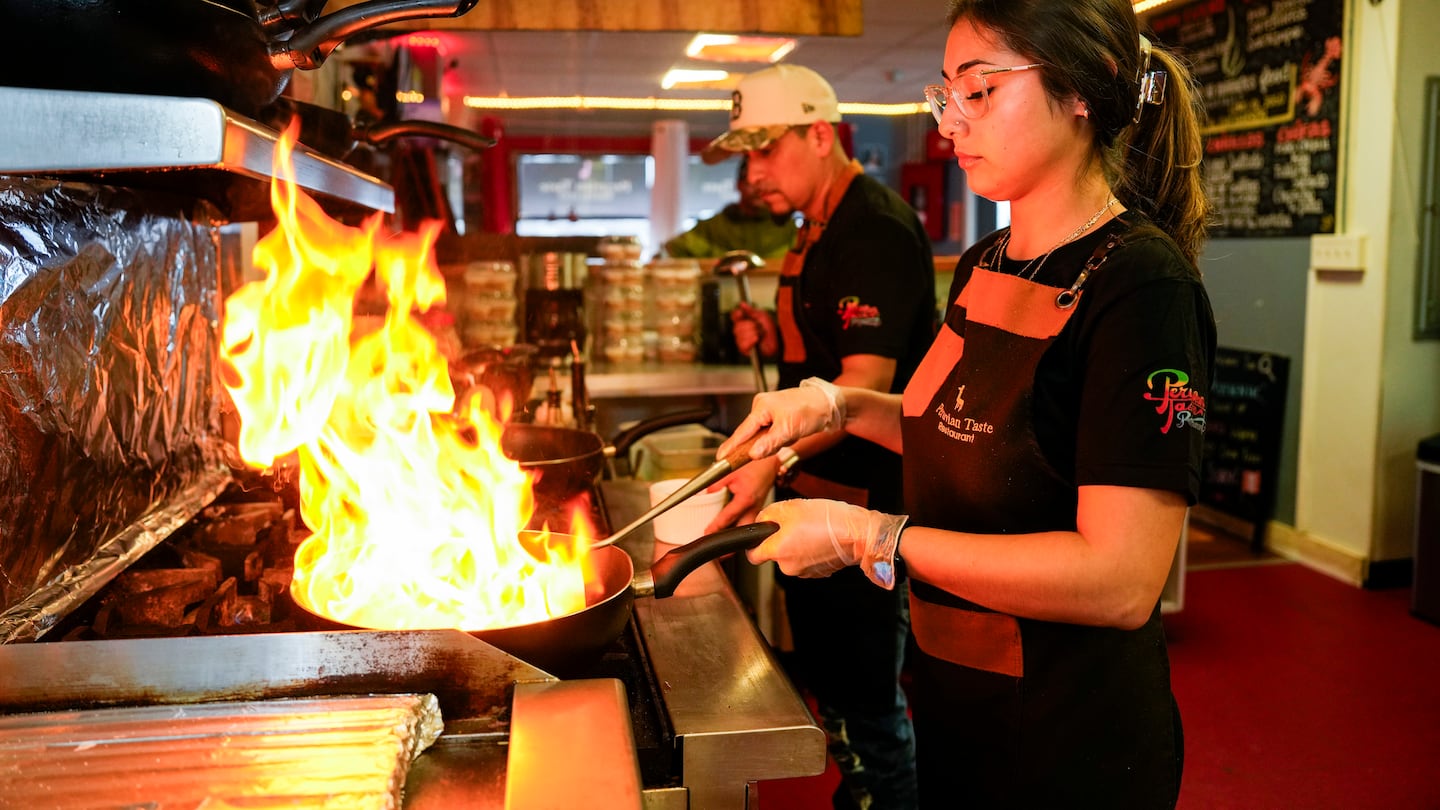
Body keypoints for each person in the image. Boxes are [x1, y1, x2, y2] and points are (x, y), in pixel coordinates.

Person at [715, 2, 1215, 806]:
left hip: (1067, 742)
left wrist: (869, 536)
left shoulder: (1140, 286)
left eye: (980, 92)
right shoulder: (988, 259)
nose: (952, 123)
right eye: (946, 94)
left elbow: (1120, 579)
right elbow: (952, 429)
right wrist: (832, 406)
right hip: (957, 704)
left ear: (1082, 90)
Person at [700, 63, 937, 810]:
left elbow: (861, 379)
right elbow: (827, 348)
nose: (754, 172)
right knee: (831, 686)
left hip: (865, 505)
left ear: (821, 134)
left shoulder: (875, 229)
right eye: (746, 155)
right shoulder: (817, 226)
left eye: (766, 150)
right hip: (815, 492)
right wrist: (772, 329)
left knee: (868, 701)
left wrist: (769, 462)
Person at [663, 155, 798, 260]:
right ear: (739, 184)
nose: (760, 188)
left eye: (768, 182)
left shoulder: (790, 231)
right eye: (752, 182)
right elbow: (668, 253)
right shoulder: (711, 229)